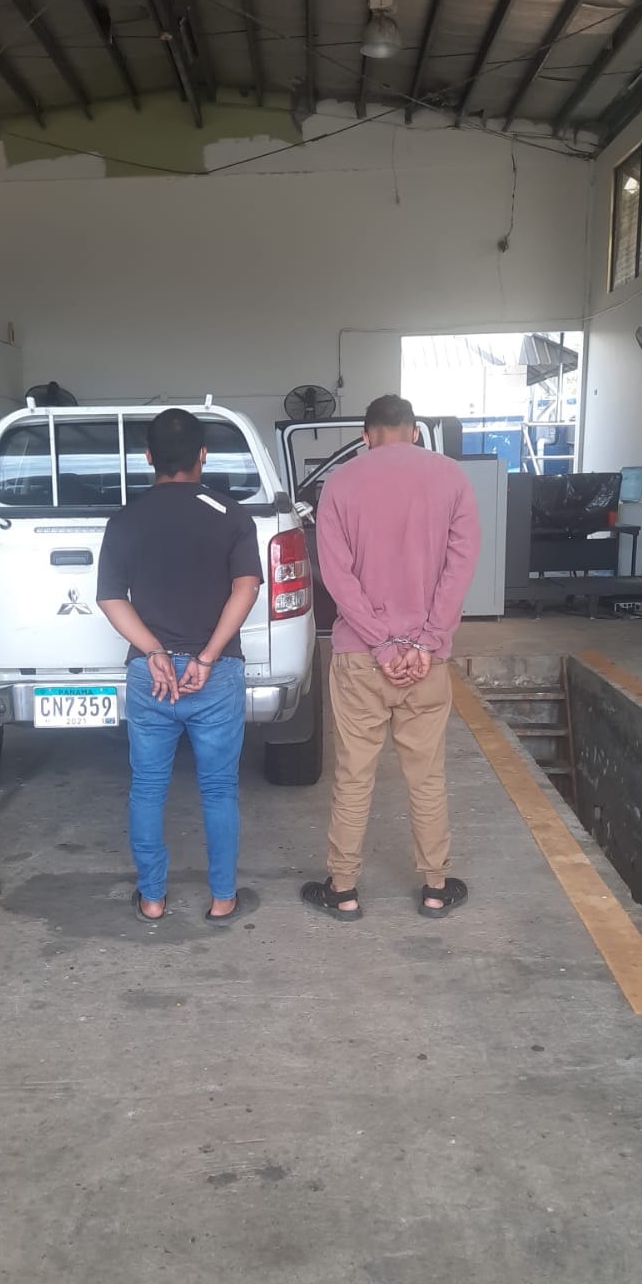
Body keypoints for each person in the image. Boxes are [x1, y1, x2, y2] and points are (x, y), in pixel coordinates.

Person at [302, 394, 481, 923]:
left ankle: (343, 890)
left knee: (354, 774)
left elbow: (337, 577)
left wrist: (381, 642)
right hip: (426, 664)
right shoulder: (452, 479)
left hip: (361, 657)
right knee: (426, 777)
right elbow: (460, 569)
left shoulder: (340, 484)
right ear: (415, 431)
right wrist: (426, 640)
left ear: (365, 436)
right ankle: (435, 887)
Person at [97, 408, 262, 924]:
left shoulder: (126, 519)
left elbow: (110, 598)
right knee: (219, 789)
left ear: (148, 457)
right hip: (216, 675)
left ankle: (152, 899)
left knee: (148, 788)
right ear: (203, 456)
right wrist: (208, 656)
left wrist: (154, 652)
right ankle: (223, 898)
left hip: (153, 678)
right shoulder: (231, 515)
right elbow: (247, 588)